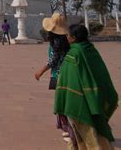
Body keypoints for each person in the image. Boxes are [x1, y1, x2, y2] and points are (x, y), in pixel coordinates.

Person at [54, 24, 118, 150]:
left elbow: (68, 81)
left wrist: (62, 99)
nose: (66, 37)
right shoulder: (90, 50)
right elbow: (101, 75)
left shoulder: (73, 54)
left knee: (90, 135)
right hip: (96, 97)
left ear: (73, 38)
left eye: (68, 35)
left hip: (78, 100)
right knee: (94, 130)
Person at [35, 12, 75, 146]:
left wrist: (41, 71)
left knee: (63, 103)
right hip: (69, 75)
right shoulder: (68, 40)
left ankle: (70, 132)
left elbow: (53, 60)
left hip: (60, 76)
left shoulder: (57, 42)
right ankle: (68, 129)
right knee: (66, 102)